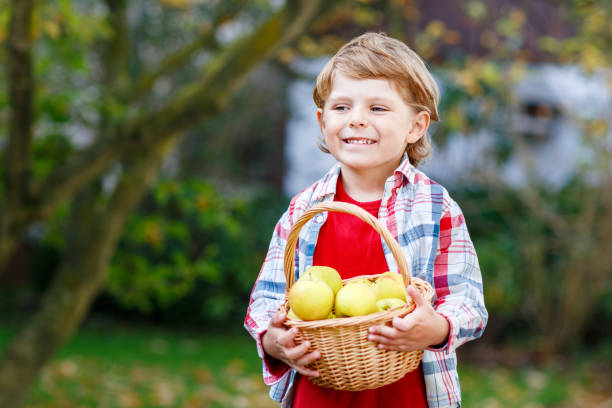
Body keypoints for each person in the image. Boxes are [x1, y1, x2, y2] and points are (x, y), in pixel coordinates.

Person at [244, 32, 488, 408]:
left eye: (377, 108)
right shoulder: (304, 210)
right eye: (342, 108)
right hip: (320, 390)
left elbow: (467, 300)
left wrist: (434, 328)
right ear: (322, 121)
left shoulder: (436, 206)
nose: (356, 120)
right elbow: (268, 298)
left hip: (404, 391)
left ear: (416, 126)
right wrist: (273, 340)